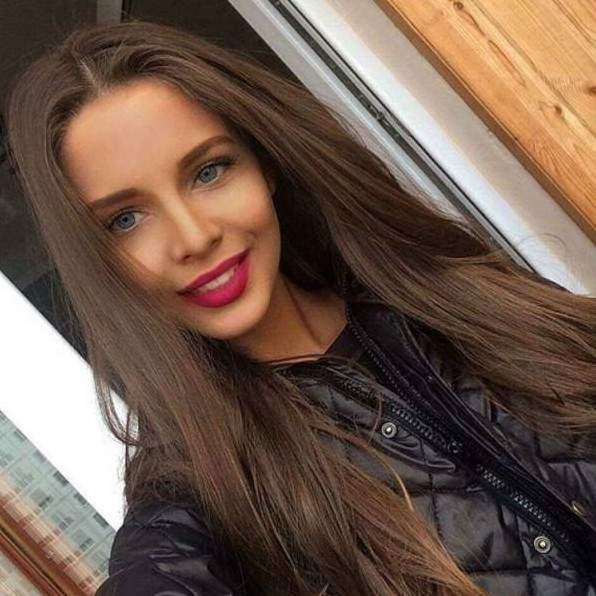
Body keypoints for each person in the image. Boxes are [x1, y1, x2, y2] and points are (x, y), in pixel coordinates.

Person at [4, 18, 595, 596]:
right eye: (125, 220)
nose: (194, 237)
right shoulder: (199, 491)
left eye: (209, 171)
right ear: (96, 259)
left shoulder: (450, 292)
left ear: (263, 166)